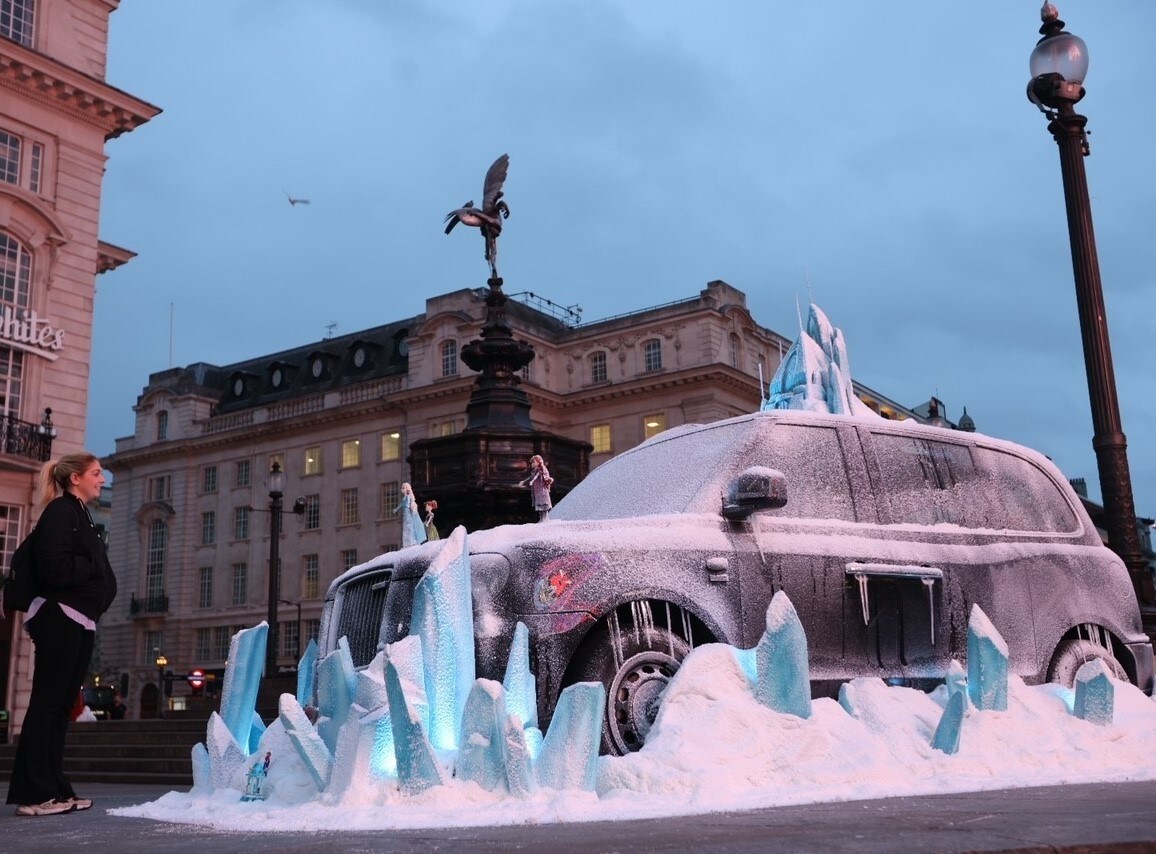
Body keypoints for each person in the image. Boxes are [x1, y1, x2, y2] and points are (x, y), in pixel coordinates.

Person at [6, 453, 117, 817]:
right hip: (59, 616)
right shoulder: (60, 512)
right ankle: (34, 793)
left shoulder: (78, 513)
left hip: (79, 619)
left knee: (59, 709)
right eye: (96, 474)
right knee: (47, 705)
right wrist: (93, 566)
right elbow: (54, 567)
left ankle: (54, 787)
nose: (102, 479)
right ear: (75, 479)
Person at [518, 455, 554, 521]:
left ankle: (545, 518)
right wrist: (523, 481)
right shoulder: (533, 471)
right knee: (539, 504)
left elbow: (536, 477)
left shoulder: (541, 470)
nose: (532, 464)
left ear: (538, 462)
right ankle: (541, 518)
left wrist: (532, 481)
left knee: (544, 504)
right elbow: (531, 477)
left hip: (542, 489)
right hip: (537, 490)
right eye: (531, 463)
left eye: (533, 462)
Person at [394, 482, 427, 548]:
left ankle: (412, 541)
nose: (402, 489)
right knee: (406, 527)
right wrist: (396, 509)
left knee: (410, 526)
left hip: (408, 512)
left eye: (403, 488)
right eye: (402, 488)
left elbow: (409, 504)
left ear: (407, 488)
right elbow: (401, 504)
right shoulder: (405, 497)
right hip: (405, 513)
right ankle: (407, 542)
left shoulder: (408, 496)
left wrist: (411, 508)